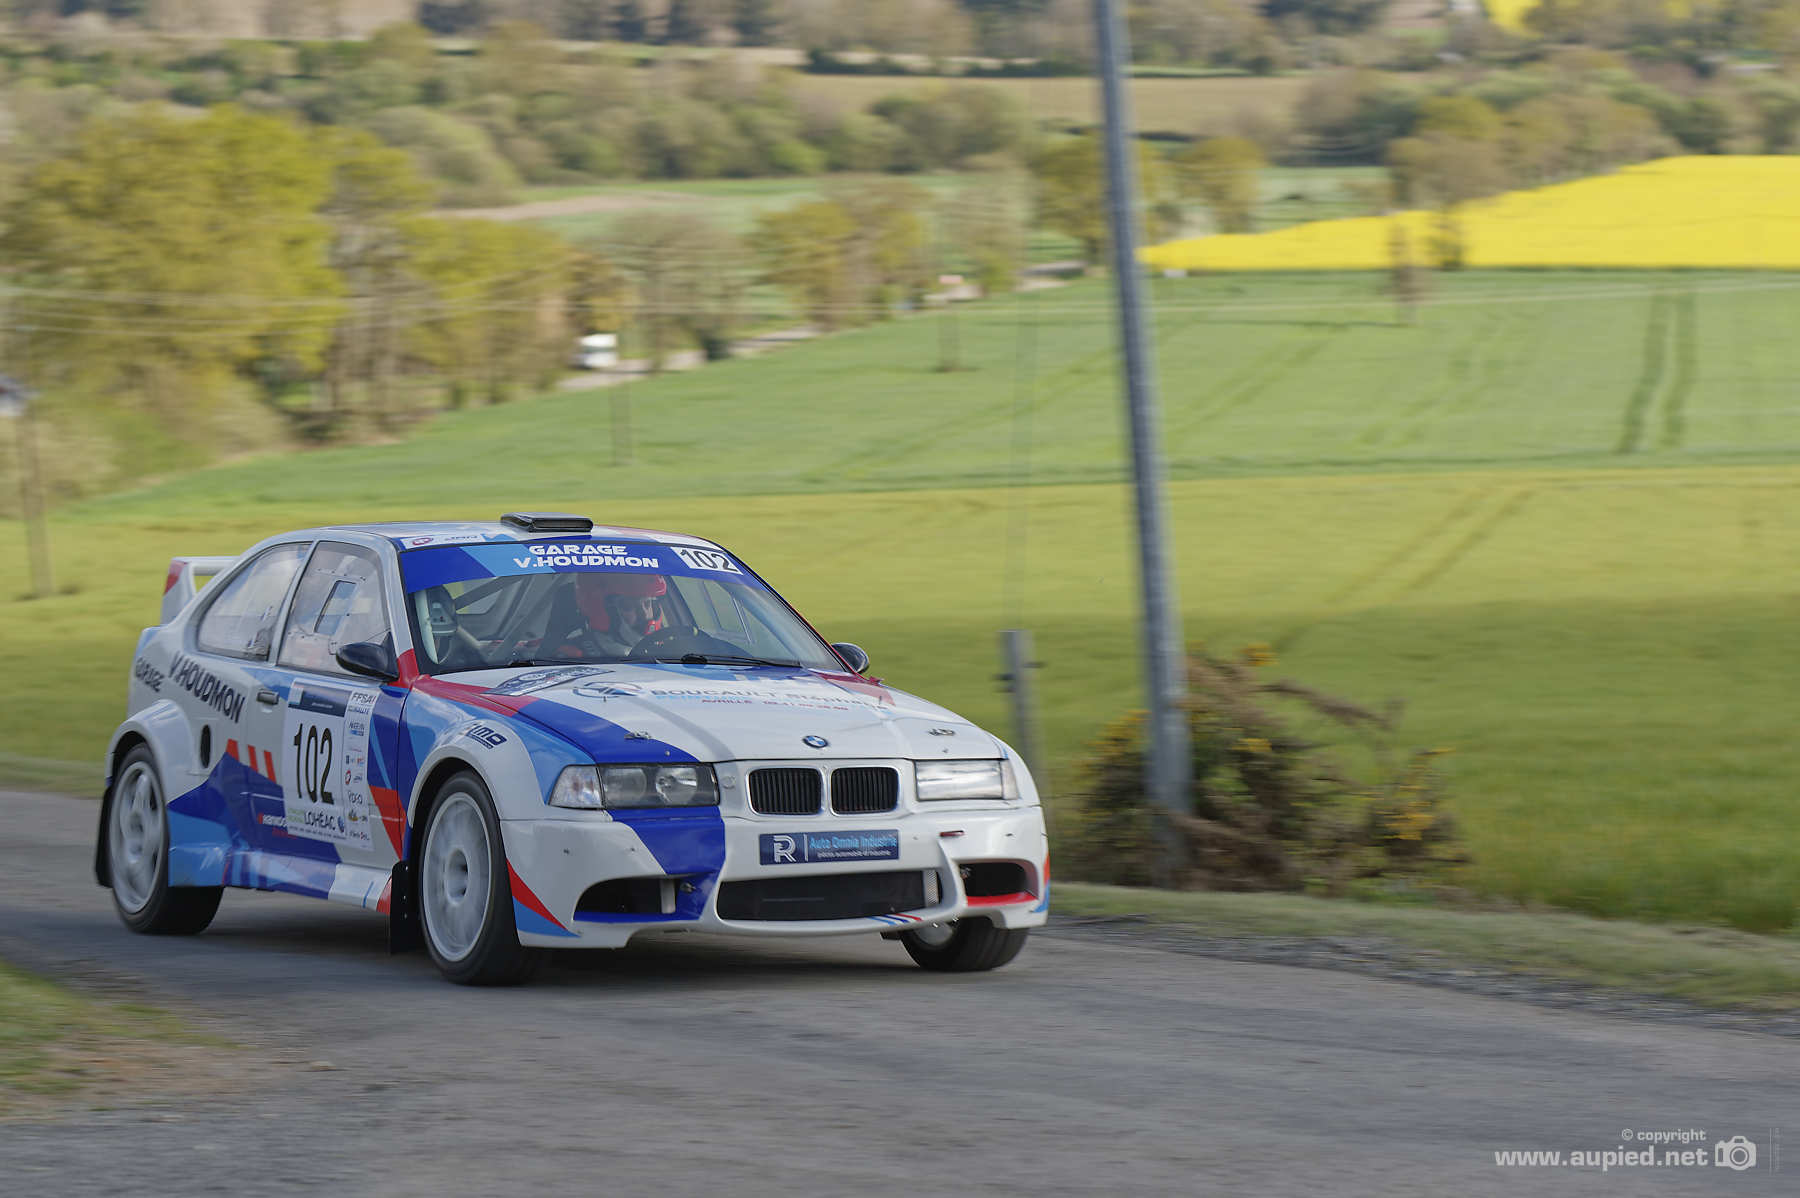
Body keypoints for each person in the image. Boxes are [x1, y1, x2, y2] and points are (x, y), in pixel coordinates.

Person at [565, 572, 667, 657]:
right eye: (629, 606)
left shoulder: (667, 648)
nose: (644, 614)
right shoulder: (572, 655)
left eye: (647, 603)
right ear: (600, 611)